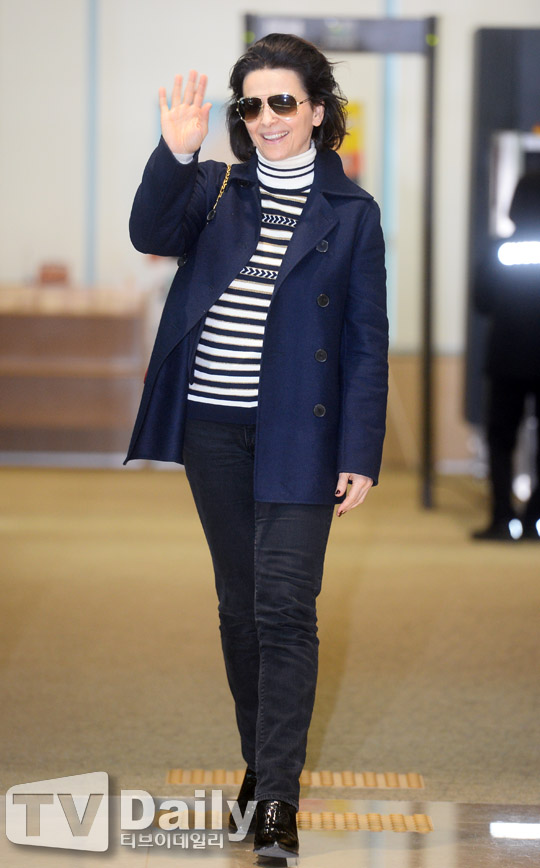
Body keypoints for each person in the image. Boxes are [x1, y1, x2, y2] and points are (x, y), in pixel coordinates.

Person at [125, 33, 388, 859]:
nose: (266, 118)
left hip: (301, 433)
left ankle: (277, 796)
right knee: (240, 608)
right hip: (214, 427)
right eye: (250, 105)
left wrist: (360, 449)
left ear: (316, 110)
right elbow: (148, 231)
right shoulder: (213, 188)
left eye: (282, 101)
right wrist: (176, 152)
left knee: (285, 608)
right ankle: (260, 763)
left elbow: (366, 341)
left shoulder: (352, 212)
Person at [472, 172, 540, 542]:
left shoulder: (500, 249)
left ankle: (502, 519)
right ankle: (535, 521)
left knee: (501, 440)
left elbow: (482, 302)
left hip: (507, 357)